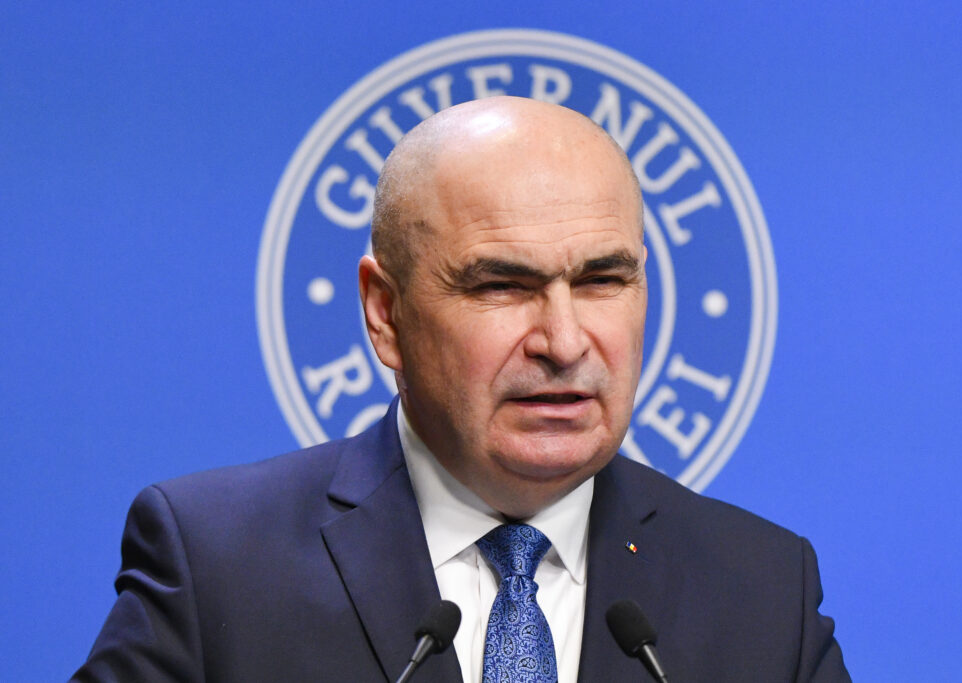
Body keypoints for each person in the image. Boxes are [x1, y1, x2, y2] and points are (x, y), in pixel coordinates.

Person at [73, 97, 850, 682]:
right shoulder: (218, 565)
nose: (564, 341)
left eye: (602, 280)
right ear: (386, 313)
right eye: (501, 286)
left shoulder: (763, 589)